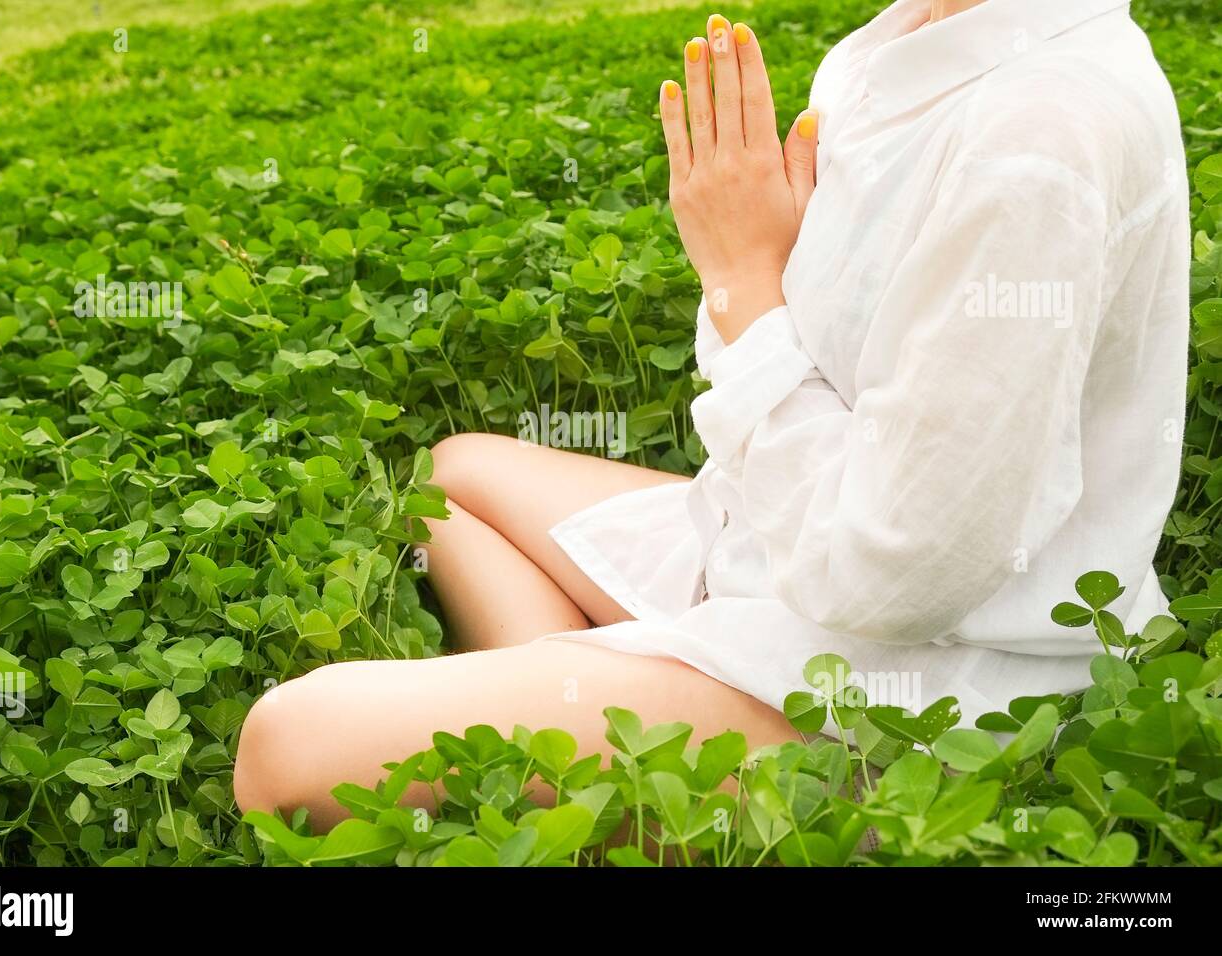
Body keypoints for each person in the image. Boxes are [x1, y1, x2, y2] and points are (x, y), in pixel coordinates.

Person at [234, 0, 1188, 831]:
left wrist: (740, 275)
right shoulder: (903, 46)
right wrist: (763, 272)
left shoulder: (1040, 131)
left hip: (916, 701)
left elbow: (895, 566)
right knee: (453, 480)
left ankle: (610, 742)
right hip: (773, 564)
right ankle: (605, 736)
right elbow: (803, 338)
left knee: (284, 745)